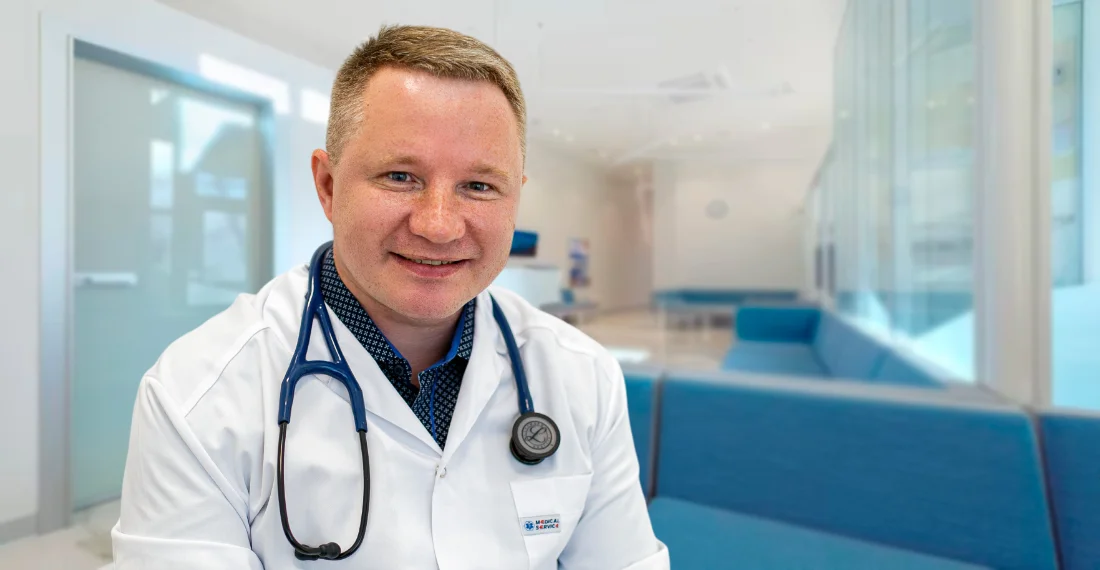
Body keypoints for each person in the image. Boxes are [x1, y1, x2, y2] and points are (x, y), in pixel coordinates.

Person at [111, 24, 669, 569]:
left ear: (514, 200)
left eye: (479, 186)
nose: (439, 225)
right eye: (400, 176)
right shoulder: (198, 395)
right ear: (328, 186)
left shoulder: (582, 375)